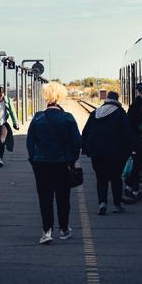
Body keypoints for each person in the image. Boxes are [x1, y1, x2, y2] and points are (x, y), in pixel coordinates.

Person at [26, 82, 81, 244]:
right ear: (60, 97)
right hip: (63, 163)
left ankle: (47, 231)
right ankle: (64, 229)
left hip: (42, 163)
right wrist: (73, 159)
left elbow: (30, 143)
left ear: (46, 98)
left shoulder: (38, 118)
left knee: (45, 198)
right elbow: (77, 142)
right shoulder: (68, 118)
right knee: (63, 198)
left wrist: (34, 160)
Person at [81, 91, 133, 215]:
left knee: (101, 179)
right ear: (117, 100)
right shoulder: (120, 114)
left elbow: (85, 132)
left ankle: (102, 204)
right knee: (116, 179)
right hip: (116, 154)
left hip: (97, 154)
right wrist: (129, 151)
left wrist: (85, 149)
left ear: (107, 99)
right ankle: (116, 205)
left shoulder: (95, 113)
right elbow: (127, 134)